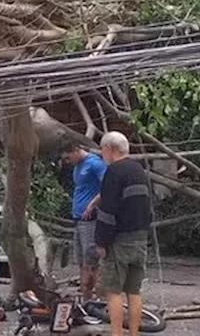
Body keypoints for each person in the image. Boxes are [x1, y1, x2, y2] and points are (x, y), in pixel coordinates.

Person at [93, 132, 152, 336]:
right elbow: (147, 207)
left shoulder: (114, 172)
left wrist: (101, 241)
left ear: (110, 149)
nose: (102, 154)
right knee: (134, 291)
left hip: (119, 240)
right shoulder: (139, 170)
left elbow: (107, 211)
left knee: (114, 290)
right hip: (140, 237)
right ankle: (134, 334)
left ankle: (116, 334)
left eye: (102, 150)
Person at [62, 141, 108, 299]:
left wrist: (92, 205)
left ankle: (97, 296)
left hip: (90, 219)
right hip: (78, 218)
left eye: (68, 158)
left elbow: (108, 187)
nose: (68, 162)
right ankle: (85, 295)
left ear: (76, 149)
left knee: (91, 258)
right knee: (81, 259)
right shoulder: (77, 167)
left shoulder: (95, 164)